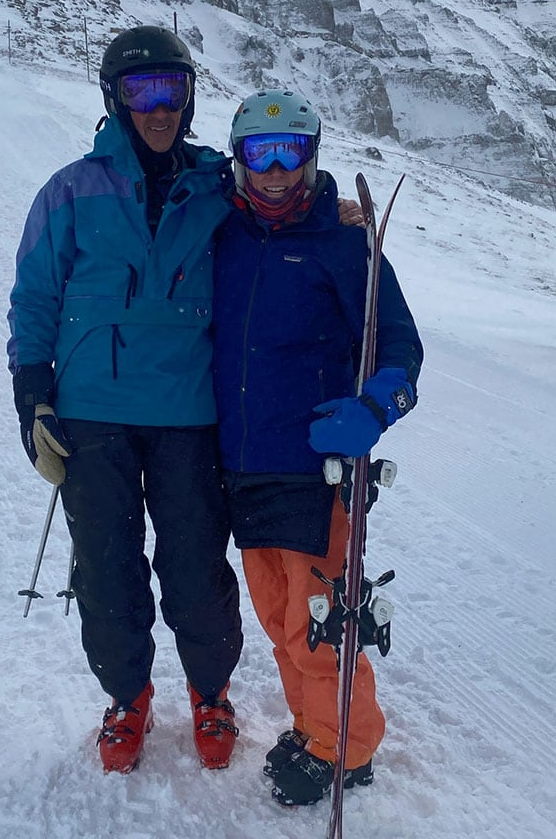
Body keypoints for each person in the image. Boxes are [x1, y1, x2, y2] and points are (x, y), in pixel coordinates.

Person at [6, 25, 243, 774]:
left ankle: (210, 690)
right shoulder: (71, 190)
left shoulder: (220, 188)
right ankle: (127, 695)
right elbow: (35, 297)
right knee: (106, 568)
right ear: (115, 98)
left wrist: (332, 206)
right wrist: (31, 393)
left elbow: (285, 207)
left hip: (189, 411)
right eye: (142, 91)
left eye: (172, 89)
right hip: (92, 413)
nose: (159, 107)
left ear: (189, 97)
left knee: (196, 564)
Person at [212, 90, 423, 806]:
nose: (274, 171)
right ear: (238, 159)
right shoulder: (223, 230)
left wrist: (374, 408)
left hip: (317, 465)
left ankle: (346, 750)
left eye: (290, 152)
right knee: (279, 617)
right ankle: (312, 727)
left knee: (320, 623)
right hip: (243, 460)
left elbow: (399, 344)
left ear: (311, 157)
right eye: (259, 153)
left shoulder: (343, 241)